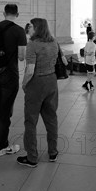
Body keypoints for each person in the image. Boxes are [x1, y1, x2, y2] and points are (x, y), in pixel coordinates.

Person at [17, 18, 62, 168]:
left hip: (37, 83)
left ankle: (32, 157)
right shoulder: (54, 42)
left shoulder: (32, 44)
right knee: (51, 118)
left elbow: (30, 70)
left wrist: (24, 84)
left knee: (31, 120)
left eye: (31, 26)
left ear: (37, 28)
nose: (28, 28)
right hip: (52, 81)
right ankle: (53, 152)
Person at [0, 4, 27, 156]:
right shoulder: (19, 30)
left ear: (3, 13)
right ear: (17, 14)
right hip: (10, 74)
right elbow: (22, 56)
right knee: (5, 110)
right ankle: (1, 147)